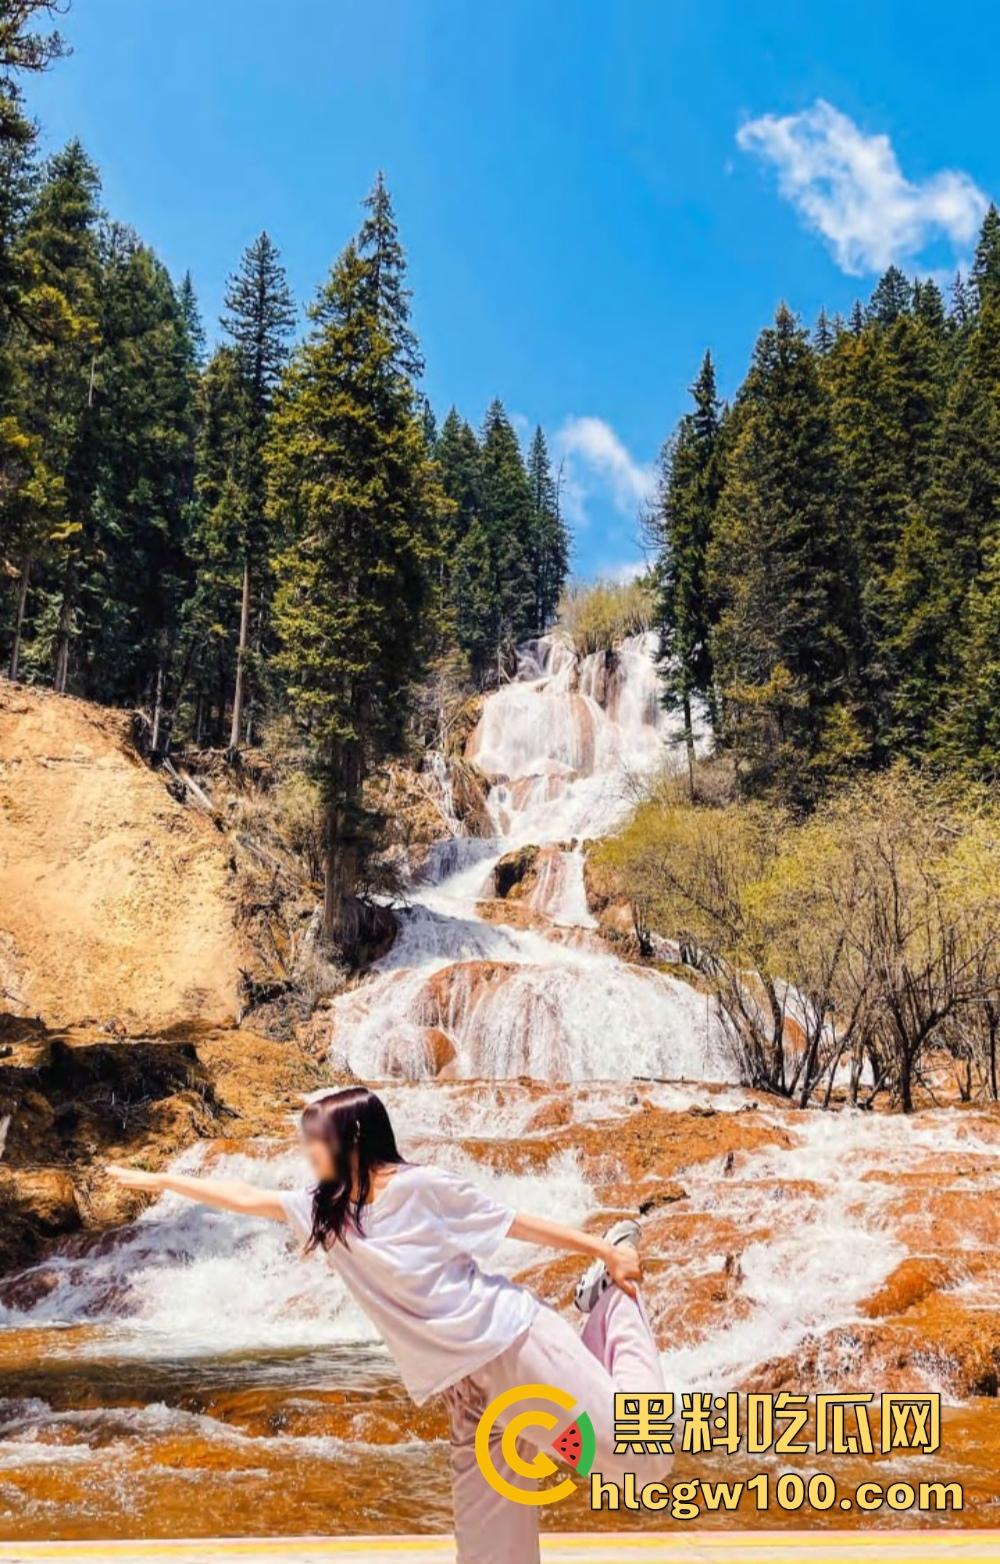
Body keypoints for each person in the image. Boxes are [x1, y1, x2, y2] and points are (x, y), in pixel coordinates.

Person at [108, 1085, 670, 1562]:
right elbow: (246, 1196)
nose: (307, 1150)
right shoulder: (327, 1212)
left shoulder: (423, 1187)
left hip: (511, 1348)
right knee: (492, 1550)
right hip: (464, 1393)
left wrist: (605, 1249)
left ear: (351, 1140)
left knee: (642, 1461)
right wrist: (165, 1183)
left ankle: (608, 1305)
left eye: (316, 1139)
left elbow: (515, 1223)